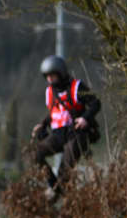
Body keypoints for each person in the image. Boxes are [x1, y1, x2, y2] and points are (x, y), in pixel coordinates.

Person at [32, 55, 101, 193]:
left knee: (65, 170)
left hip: (75, 133)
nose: (49, 79)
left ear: (61, 73)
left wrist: (85, 118)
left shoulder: (76, 87)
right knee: (35, 154)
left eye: (52, 76)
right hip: (57, 134)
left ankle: (62, 190)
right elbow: (55, 112)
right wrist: (43, 124)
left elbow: (95, 103)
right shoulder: (49, 92)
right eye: (47, 76)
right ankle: (54, 186)